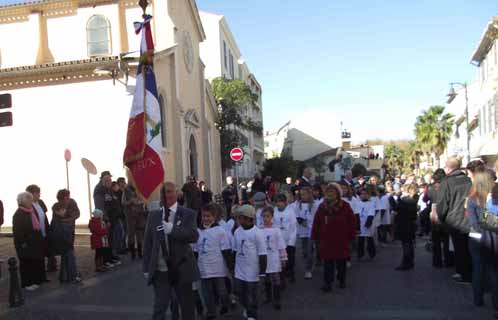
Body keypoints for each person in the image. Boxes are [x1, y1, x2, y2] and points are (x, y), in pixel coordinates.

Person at [143, 182, 199, 320]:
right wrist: (146, 267)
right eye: (163, 192)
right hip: (161, 270)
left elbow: (193, 236)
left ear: (176, 193)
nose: (166, 195)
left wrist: (173, 230)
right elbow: (148, 243)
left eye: (169, 191)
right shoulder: (154, 216)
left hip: (182, 268)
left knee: (186, 308)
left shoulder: (188, 214)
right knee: (160, 307)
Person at [312, 183, 356, 292]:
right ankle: (328, 283)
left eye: (333, 191)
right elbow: (317, 222)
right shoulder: (322, 207)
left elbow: (351, 221)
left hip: (341, 239)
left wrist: (352, 236)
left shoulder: (345, 206)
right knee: (328, 262)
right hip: (326, 240)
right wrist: (315, 236)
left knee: (341, 262)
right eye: (328, 192)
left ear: (338, 193)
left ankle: (341, 280)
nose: (330, 194)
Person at [437, 156, 473, 283]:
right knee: (468, 248)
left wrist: (441, 218)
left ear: (448, 168)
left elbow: (442, 204)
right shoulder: (469, 180)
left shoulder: (446, 182)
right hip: (470, 219)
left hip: (454, 220)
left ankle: (464, 274)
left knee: (459, 248)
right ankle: (468, 272)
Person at [466, 171, 497, 312]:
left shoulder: (472, 199)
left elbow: (472, 221)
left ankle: (478, 298)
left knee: (477, 267)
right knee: (493, 270)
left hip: (476, 237)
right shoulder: (493, 198)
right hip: (493, 237)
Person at [195, 203, 232, 320]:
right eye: (204, 216)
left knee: (221, 290)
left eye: (208, 216)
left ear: (214, 217)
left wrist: (230, 266)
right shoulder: (198, 232)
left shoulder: (220, 231)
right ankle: (211, 311)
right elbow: (195, 250)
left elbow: (226, 250)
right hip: (203, 267)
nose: (205, 219)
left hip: (217, 266)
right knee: (206, 292)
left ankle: (225, 304)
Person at [232, 204, 267, 320]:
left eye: (240, 217)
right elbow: (235, 251)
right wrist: (232, 267)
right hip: (239, 269)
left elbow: (262, 254)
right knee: (240, 292)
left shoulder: (257, 233)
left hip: (253, 270)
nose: (238, 220)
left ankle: (252, 314)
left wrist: (262, 272)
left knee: (252, 295)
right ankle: (247, 308)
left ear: (248, 218)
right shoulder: (237, 231)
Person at [13, 192, 45, 291]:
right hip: (25, 244)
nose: (31, 202)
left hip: (33, 242)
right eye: (29, 200)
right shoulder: (19, 214)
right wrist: (23, 243)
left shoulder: (29, 211)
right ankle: (26, 283)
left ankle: (33, 281)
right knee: (26, 263)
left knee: (32, 262)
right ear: (24, 201)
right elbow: (18, 231)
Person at [260, 207, 287, 310]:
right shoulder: (259, 230)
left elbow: (281, 244)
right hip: (265, 258)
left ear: (272, 217)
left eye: (268, 216)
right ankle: (268, 296)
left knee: (276, 278)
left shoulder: (276, 230)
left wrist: (283, 257)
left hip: (274, 258)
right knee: (266, 278)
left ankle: (277, 299)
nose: (266, 218)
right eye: (264, 216)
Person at [50, 202, 82, 283]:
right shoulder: (56, 221)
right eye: (62, 210)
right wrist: (68, 242)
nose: (64, 211)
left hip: (64, 243)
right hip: (64, 243)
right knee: (70, 260)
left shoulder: (57, 220)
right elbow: (59, 234)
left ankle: (64, 277)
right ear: (57, 211)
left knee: (65, 260)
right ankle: (72, 277)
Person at [26, 184, 53, 278]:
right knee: (37, 256)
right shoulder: (28, 205)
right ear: (31, 194)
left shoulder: (40, 202)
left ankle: (43, 276)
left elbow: (44, 215)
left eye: (39, 192)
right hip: (35, 235)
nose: (39, 194)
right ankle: (38, 276)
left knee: (42, 255)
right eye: (37, 193)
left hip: (44, 232)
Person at [427, 169, 452, 268]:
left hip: (434, 211)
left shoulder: (431, 188)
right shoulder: (447, 186)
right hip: (446, 212)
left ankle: (437, 262)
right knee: (446, 239)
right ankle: (448, 260)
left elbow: (427, 198)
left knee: (436, 240)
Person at [392, 184, 419, 271]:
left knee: (406, 244)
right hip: (411, 224)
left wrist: (392, 198)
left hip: (404, 224)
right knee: (409, 243)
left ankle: (406, 262)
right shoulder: (414, 200)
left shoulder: (404, 200)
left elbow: (396, 208)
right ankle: (410, 261)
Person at [295, 187, 319, 279]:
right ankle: (310, 262)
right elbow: (296, 215)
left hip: (311, 231)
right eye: (301, 194)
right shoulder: (298, 205)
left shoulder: (314, 205)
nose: (302, 196)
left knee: (309, 250)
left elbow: (317, 217)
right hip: (302, 231)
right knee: (304, 251)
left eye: (304, 194)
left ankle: (308, 269)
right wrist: (301, 221)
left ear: (309, 194)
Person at [273, 193, 297, 283]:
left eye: (281, 202)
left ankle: (291, 273)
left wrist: (291, 242)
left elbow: (293, 227)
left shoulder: (290, 212)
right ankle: (282, 277)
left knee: (290, 260)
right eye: (277, 202)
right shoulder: (274, 211)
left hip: (288, 240)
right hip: (278, 240)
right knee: (280, 260)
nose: (279, 204)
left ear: (285, 202)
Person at [123, 182, 147, 260]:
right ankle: (133, 253)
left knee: (139, 233)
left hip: (139, 214)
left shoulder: (139, 188)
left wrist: (141, 201)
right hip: (130, 215)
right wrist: (131, 201)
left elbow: (144, 199)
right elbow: (123, 202)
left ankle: (140, 252)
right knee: (131, 234)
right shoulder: (126, 190)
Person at [356, 188, 376, 260]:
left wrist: (368, 223)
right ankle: (360, 255)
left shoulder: (371, 203)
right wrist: (357, 225)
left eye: (365, 194)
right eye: (362, 194)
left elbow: (371, 214)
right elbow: (356, 214)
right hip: (360, 224)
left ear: (368, 195)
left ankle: (371, 254)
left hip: (368, 224)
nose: (363, 195)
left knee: (369, 239)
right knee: (360, 240)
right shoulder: (358, 203)